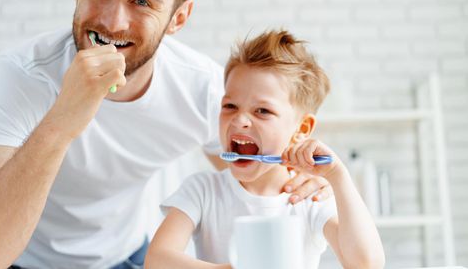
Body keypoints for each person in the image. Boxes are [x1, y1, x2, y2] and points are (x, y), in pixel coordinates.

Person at [0, 0, 331, 268]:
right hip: (19, 259)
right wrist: (61, 123)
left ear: (178, 18)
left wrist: (302, 182)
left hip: (127, 256)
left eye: (142, 1)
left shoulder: (206, 90)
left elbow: (255, 171)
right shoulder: (16, 79)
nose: (113, 22)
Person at [145, 30, 385, 269]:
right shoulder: (203, 191)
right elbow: (157, 261)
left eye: (262, 111)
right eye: (230, 105)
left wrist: (338, 176)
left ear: (302, 128)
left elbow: (366, 264)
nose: (239, 121)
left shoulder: (309, 199)